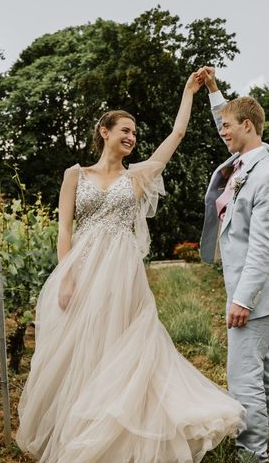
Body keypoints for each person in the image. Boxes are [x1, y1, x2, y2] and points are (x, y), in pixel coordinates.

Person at [15, 70, 245, 462]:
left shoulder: (137, 177)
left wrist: (189, 92)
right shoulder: (75, 174)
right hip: (82, 269)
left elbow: (176, 137)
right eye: (124, 129)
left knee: (120, 347)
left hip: (122, 275)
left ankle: (118, 431)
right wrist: (66, 277)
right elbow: (64, 230)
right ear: (104, 131)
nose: (131, 136)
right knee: (78, 350)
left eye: (135, 133)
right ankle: (77, 427)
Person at [198, 67, 269, 463]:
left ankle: (253, 454)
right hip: (250, 291)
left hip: (254, 294)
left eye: (227, 127)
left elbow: (262, 246)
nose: (221, 131)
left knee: (245, 380)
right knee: (267, 372)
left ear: (247, 126)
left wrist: (242, 300)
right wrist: (211, 88)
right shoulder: (245, 159)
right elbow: (224, 117)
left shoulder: (265, 175)